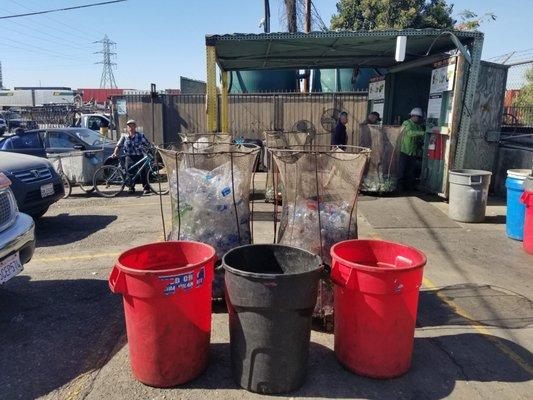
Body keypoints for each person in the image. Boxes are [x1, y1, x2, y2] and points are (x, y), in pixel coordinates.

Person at [112, 119, 151, 194]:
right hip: (129, 156)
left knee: (143, 172)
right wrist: (115, 152)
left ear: (135, 126)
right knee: (129, 172)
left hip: (139, 156)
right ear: (127, 127)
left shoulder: (140, 135)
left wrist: (149, 149)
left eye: (132, 125)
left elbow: (147, 144)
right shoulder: (124, 136)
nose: (131, 127)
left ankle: (146, 188)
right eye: (129, 126)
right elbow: (118, 145)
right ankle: (131, 187)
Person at [399, 107, 425, 191]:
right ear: (412, 116)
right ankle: (399, 187)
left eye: (419, 117)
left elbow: (422, 137)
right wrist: (422, 133)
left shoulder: (418, 126)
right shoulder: (406, 123)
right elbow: (409, 133)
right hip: (404, 151)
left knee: (410, 172)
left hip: (412, 153)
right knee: (401, 170)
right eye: (416, 116)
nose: (417, 118)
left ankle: (408, 188)